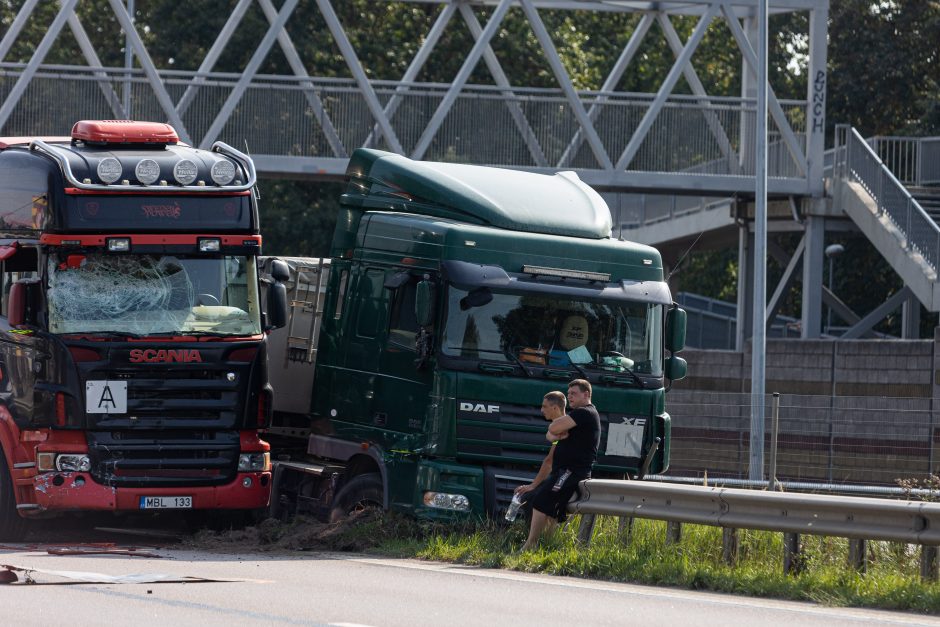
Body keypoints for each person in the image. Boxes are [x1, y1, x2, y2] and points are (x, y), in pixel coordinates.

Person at [520, 379, 600, 552]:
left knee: (541, 499)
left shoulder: (584, 413)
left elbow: (553, 427)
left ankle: (531, 545)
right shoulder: (576, 415)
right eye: (569, 393)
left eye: (574, 393)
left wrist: (553, 431)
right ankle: (547, 545)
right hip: (563, 471)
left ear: (586, 394)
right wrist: (552, 433)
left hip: (572, 471)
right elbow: (551, 434)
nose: (570, 396)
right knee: (549, 505)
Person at [513, 390, 568, 500]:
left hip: (565, 476)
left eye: (544, 406)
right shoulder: (560, 426)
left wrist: (532, 485)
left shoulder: (562, 428)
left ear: (555, 408)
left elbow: (549, 461)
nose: (541, 410)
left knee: (530, 497)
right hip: (562, 474)